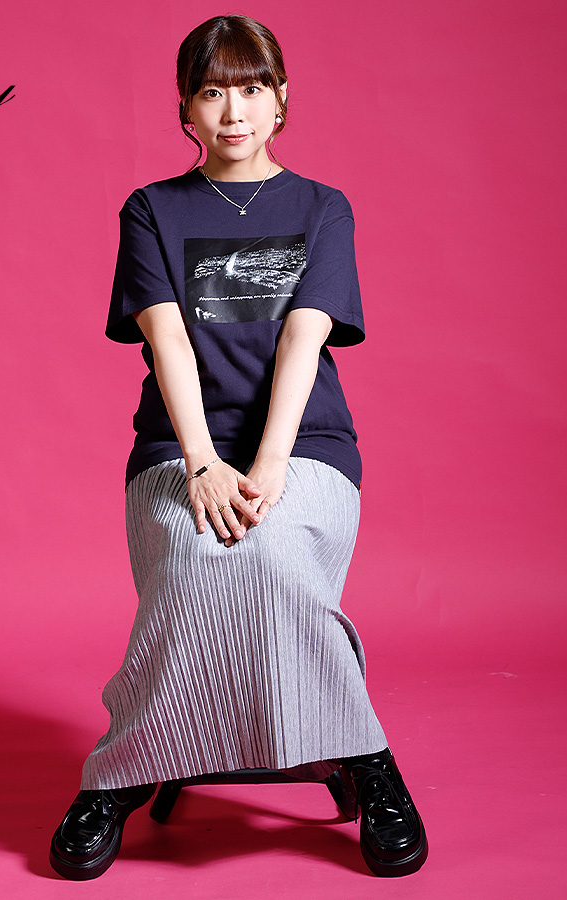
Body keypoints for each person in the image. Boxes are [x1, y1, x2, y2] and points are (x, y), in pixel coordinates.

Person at [49, 14, 428, 880]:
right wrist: (202, 464)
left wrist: (266, 466)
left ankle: (367, 758)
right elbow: (168, 342)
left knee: (277, 554)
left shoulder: (323, 208)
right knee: (192, 557)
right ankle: (120, 773)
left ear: (282, 97)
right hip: (178, 449)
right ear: (184, 105)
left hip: (306, 444)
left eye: (252, 88)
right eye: (213, 91)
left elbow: (303, 337)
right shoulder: (151, 209)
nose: (234, 111)